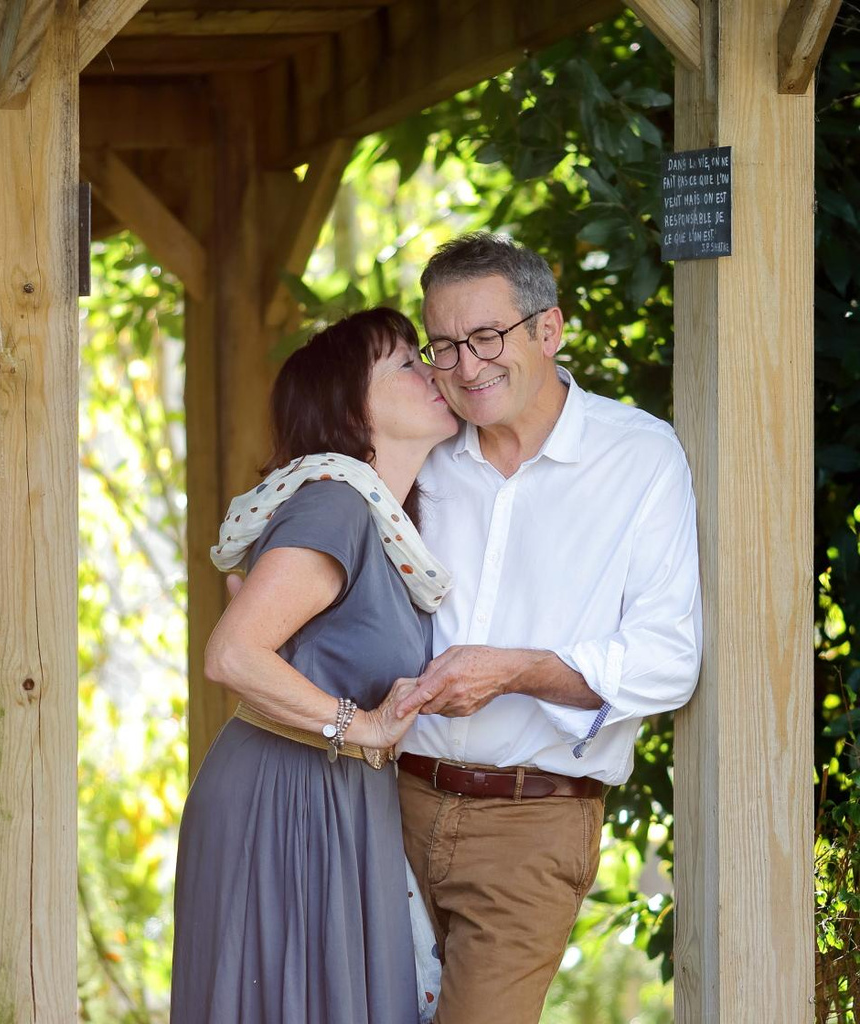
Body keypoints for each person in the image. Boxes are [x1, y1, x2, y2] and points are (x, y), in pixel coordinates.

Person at [385, 233, 702, 1023]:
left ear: (548, 329)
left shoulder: (640, 457)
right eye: (444, 345)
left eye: (487, 337)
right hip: (387, 805)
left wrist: (514, 671)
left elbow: (669, 660)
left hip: (532, 825)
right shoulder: (420, 451)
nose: (466, 367)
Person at [171, 307, 457, 1023]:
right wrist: (362, 727)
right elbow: (232, 653)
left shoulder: (385, 526)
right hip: (285, 797)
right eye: (405, 363)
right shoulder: (336, 506)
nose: (431, 371)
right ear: (352, 411)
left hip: (338, 796)